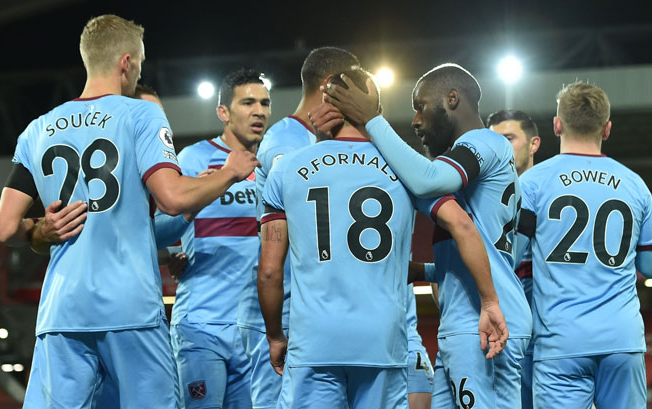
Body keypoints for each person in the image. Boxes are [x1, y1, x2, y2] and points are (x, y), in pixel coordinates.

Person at [0, 15, 259, 408]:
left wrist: (42, 231)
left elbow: (4, 228)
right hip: (128, 307)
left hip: (61, 312)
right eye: (141, 63)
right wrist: (230, 173)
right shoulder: (140, 114)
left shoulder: (39, 128)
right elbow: (172, 197)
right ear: (126, 62)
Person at [259, 69, 505, 409]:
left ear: (327, 106)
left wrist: (275, 335)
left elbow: (270, 272)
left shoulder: (287, 168)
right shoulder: (406, 170)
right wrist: (490, 301)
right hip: (383, 344)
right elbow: (463, 227)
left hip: (313, 342)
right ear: (375, 106)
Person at [313, 63, 529, 408]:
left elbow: (428, 179)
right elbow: (496, 253)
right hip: (466, 320)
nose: (415, 121)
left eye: (420, 107)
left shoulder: (484, 141)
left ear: (452, 99)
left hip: (482, 323)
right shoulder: (486, 167)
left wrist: (371, 121)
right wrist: (425, 272)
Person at [515, 82, 652, 409]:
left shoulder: (533, 182)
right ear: (607, 129)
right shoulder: (635, 185)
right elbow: (651, 266)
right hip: (622, 339)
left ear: (557, 124)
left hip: (560, 342)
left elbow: (512, 256)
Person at [235, 46, 361, 409]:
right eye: (351, 88)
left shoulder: (312, 138)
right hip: (284, 307)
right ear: (329, 87)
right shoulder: (287, 142)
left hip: (307, 307)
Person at [153, 68, 270, 408]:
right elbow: (159, 232)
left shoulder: (272, 166)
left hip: (256, 329)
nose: (258, 111)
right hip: (202, 324)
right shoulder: (194, 158)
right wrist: (195, 201)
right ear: (224, 112)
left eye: (264, 103)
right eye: (247, 102)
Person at [487, 109, 540, 409]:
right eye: (494, 140)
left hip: (542, 330)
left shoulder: (547, 190)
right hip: (497, 330)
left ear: (533, 144)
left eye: (509, 138)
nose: (501, 148)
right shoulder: (479, 199)